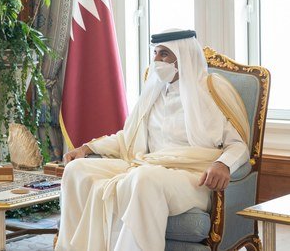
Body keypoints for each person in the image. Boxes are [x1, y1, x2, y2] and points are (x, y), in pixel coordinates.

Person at [55, 30, 250, 251]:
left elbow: (238, 144)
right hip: (147, 164)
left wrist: (223, 164)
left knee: (144, 178)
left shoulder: (211, 92)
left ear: (183, 56)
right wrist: (88, 148)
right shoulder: (154, 93)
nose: (156, 60)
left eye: (164, 54)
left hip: (193, 178)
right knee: (78, 171)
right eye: (155, 53)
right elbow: (128, 139)